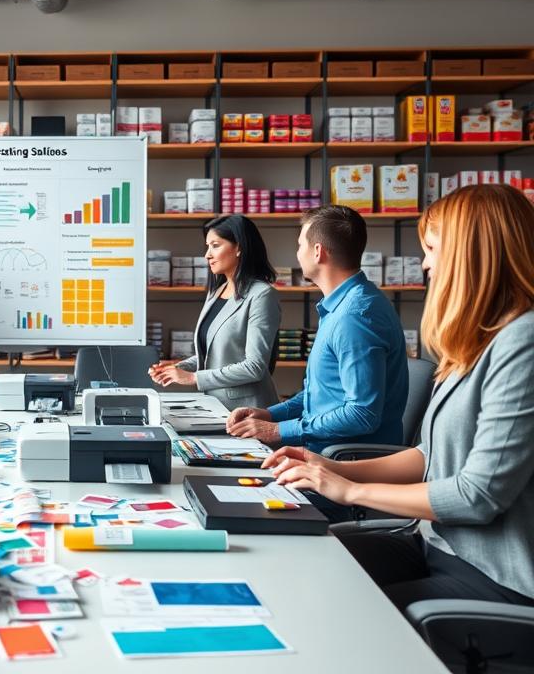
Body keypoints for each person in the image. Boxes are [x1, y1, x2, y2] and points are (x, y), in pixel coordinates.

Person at [265, 185, 534, 611]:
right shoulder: (476, 341)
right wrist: (327, 465)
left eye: (431, 249)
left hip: (488, 574)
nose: (425, 264)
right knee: (298, 569)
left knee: (335, 611)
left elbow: (477, 495)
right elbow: (431, 456)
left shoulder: (523, 342)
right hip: (434, 544)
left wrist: (350, 490)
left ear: (474, 252)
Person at [227, 204, 408, 451]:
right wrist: (269, 415)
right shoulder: (342, 305)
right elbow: (321, 396)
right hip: (322, 453)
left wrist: (279, 431)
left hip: (342, 464)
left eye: (300, 245)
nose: (297, 252)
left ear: (318, 252)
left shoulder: (354, 317)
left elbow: (362, 414)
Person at [149, 215, 280, 410]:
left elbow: (255, 367)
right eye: (207, 246)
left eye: (215, 245)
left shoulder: (262, 295)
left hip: (248, 410)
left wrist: (193, 377)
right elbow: (214, 354)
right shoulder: (217, 292)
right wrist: (178, 368)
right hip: (215, 405)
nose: (207, 255)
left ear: (239, 247)